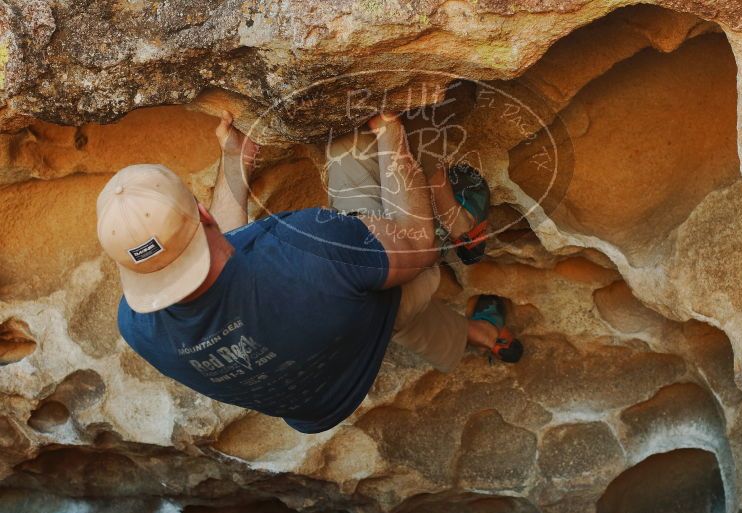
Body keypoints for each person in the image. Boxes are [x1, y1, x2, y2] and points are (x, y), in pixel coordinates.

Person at [97, 111, 523, 434]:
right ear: (204, 215)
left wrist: (236, 160)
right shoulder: (303, 249)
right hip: (363, 310)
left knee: (377, 312)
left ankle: (471, 334)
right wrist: (393, 139)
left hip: (320, 399)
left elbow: (215, 264)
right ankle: (464, 229)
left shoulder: (137, 325)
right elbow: (417, 244)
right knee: (349, 150)